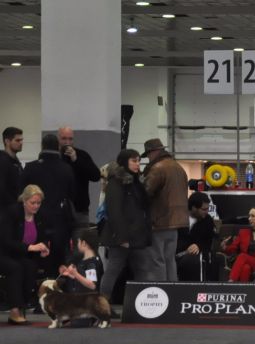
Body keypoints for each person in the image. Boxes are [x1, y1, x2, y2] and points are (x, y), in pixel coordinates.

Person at [99, 149, 152, 300]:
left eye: (138, 161)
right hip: (123, 236)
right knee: (113, 270)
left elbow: (143, 207)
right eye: (134, 161)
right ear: (124, 162)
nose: (137, 165)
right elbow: (114, 211)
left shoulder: (136, 182)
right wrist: (122, 237)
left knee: (142, 269)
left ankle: (141, 305)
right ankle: (102, 305)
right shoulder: (116, 182)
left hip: (138, 235)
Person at [20, 133, 75, 273]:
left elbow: (21, 192)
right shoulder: (66, 169)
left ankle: (34, 290)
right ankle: (55, 288)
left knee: (34, 258)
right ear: (57, 146)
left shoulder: (31, 167)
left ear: (42, 146)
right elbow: (71, 193)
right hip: (59, 219)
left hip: (34, 218)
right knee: (57, 260)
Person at [0, 185, 51, 325]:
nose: (36, 206)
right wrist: (30, 247)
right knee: (15, 268)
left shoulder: (40, 216)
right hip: (4, 253)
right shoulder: (12, 212)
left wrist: (44, 248)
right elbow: (6, 241)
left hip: (23, 255)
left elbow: (43, 237)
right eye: (32, 203)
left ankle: (22, 305)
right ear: (24, 201)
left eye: (38, 203)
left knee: (30, 267)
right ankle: (15, 310)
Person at [142, 138, 188, 282]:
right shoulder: (178, 168)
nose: (148, 158)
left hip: (159, 221)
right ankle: (173, 293)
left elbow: (146, 193)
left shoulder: (157, 169)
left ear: (153, 152)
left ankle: (160, 293)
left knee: (157, 260)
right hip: (176, 223)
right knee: (170, 260)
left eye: (148, 155)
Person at [57, 126, 101, 227]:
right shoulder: (54, 157)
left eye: (70, 139)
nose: (67, 142)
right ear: (58, 139)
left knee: (82, 242)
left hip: (80, 211)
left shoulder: (82, 155)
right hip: (58, 211)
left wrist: (76, 160)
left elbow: (96, 176)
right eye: (64, 138)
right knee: (60, 242)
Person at [221, 207, 255, 282]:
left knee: (242, 256)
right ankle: (244, 291)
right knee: (245, 268)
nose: (249, 218)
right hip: (245, 262)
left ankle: (231, 282)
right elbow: (233, 248)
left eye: (253, 216)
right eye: (249, 216)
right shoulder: (243, 232)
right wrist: (225, 247)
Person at [177, 191, 217, 282]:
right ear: (194, 208)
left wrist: (198, 245)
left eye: (208, 209)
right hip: (178, 252)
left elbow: (209, 241)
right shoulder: (180, 218)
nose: (207, 212)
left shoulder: (208, 220)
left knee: (194, 260)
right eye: (204, 209)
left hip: (197, 254)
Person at [0, 126, 24, 209]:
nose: (21, 143)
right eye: (17, 140)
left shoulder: (16, 161)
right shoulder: (2, 162)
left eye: (22, 140)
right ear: (7, 141)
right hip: (6, 212)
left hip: (16, 209)